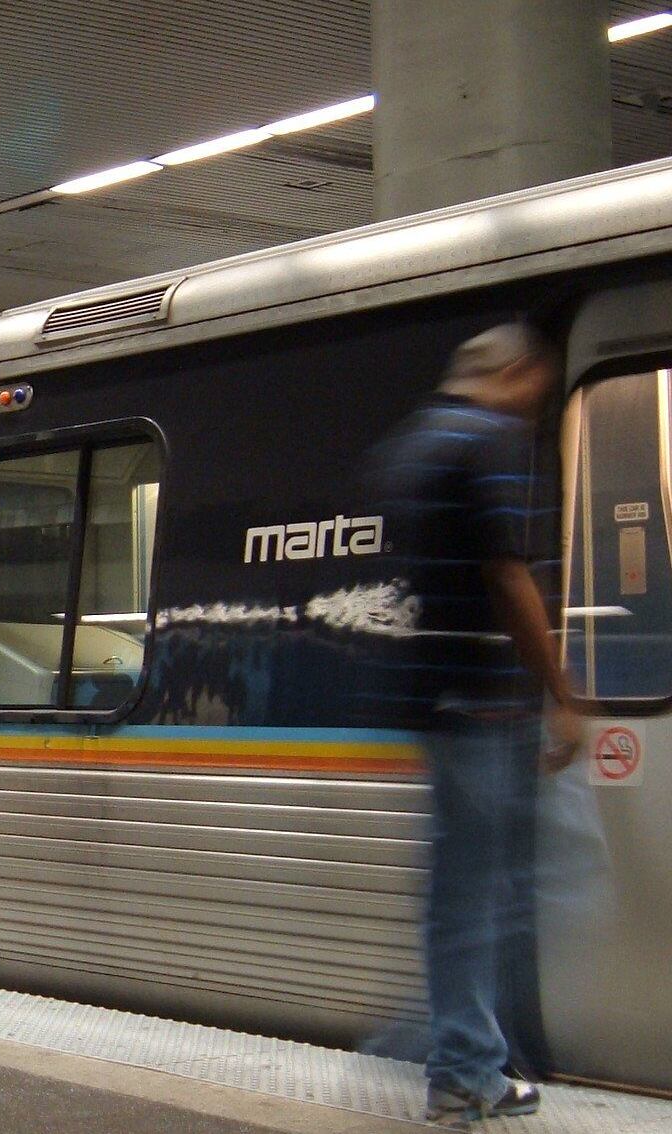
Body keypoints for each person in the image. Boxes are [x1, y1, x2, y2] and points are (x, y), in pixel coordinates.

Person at [371, 324, 583, 1126]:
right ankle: (465, 1066)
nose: (537, 404)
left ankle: (455, 1050)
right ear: (518, 374)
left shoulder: (417, 444)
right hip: (486, 702)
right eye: (538, 388)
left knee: (460, 893)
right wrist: (560, 690)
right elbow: (507, 573)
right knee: (489, 896)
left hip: (436, 700)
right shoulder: (490, 439)